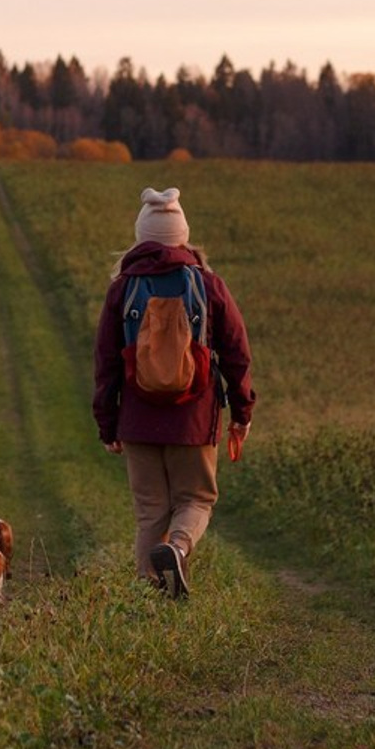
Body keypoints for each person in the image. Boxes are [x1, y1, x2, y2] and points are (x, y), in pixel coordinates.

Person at [93, 186, 255, 598]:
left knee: (150, 511)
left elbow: (106, 363)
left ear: (142, 236)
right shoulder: (207, 284)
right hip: (194, 420)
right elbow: (236, 352)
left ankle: (147, 600)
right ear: (182, 234)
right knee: (196, 500)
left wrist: (107, 424)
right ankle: (179, 548)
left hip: (137, 419)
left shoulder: (122, 288)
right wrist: (242, 411)